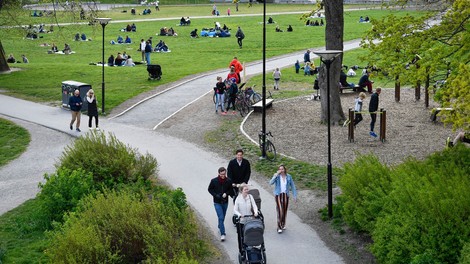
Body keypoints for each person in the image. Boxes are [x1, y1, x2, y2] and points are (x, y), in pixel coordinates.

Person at [208, 167, 234, 242]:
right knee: (221, 217)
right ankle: (223, 234)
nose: (223, 175)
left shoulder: (228, 181)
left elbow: (230, 190)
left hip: (225, 202)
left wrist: (227, 193)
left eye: (224, 174)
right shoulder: (214, 181)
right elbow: (210, 189)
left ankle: (220, 225)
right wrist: (216, 195)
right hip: (217, 202)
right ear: (219, 173)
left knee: (222, 217)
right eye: (222, 174)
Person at [269, 164, 297, 233]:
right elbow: (270, 183)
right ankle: (279, 227)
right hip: (278, 194)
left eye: (282, 169)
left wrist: (295, 195)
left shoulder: (289, 177)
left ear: (285, 170)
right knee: (280, 210)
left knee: (284, 210)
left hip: (285, 195)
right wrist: (275, 175)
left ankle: (283, 224)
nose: (281, 170)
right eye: (280, 169)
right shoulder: (277, 176)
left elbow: (293, 186)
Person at [233, 183, 259, 253]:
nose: (247, 191)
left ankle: (250, 248)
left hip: (250, 220)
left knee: (250, 234)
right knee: (241, 236)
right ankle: (241, 250)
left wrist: (256, 212)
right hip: (242, 220)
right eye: (245, 189)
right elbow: (235, 209)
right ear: (241, 191)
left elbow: (254, 206)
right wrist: (239, 214)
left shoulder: (250, 197)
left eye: (247, 189)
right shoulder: (238, 199)